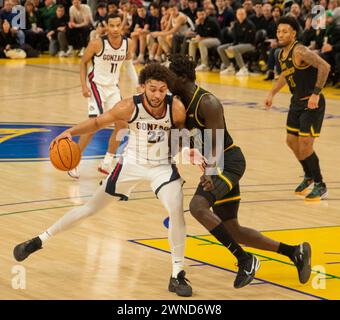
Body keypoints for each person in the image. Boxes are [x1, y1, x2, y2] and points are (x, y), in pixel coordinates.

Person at [13, 63, 193, 298]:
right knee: (90, 208)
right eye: (152, 89)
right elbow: (98, 123)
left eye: (161, 89)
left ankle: (177, 274)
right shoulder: (128, 106)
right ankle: (38, 240)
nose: (157, 94)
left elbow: (184, 133)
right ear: (143, 88)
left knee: (176, 210)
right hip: (131, 164)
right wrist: (70, 132)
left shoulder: (176, 108)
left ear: (167, 89)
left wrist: (189, 149)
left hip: (162, 166)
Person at [168, 53, 312, 288]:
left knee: (197, 207)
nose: (167, 81)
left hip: (228, 161)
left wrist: (210, 172)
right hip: (216, 165)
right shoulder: (178, 102)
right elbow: (181, 138)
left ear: (182, 78)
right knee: (234, 231)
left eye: (170, 76)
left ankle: (246, 260)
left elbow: (215, 143)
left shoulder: (207, 102)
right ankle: (295, 252)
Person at [265, 16, 330, 201]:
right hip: (296, 103)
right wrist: (271, 94)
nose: (280, 34)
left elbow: (324, 66)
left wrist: (316, 93)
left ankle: (320, 184)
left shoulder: (300, 50)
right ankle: (308, 175)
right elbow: (286, 75)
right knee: (291, 141)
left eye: (285, 31)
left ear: (293, 33)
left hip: (312, 102)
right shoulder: (280, 54)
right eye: (278, 31)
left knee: (305, 144)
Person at [68, 13, 139, 179]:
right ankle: (74, 161)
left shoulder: (129, 43)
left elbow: (128, 65)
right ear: (106, 26)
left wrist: (138, 85)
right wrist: (84, 85)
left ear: (123, 25)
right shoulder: (97, 43)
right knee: (95, 124)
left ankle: (107, 162)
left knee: (122, 125)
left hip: (113, 87)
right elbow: (83, 62)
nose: (115, 29)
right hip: (96, 86)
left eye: (117, 25)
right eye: (111, 25)